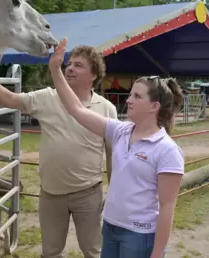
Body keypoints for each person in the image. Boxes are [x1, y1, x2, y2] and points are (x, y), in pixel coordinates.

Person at [0, 41, 118, 258]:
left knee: (93, 251)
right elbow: (8, 99)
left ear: (94, 75)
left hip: (88, 192)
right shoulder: (47, 97)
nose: (70, 68)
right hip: (51, 193)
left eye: (79, 65)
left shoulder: (106, 109)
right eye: (69, 63)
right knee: (51, 252)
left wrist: (114, 192)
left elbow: (112, 154)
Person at [48, 38, 185, 258]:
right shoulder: (120, 131)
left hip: (139, 235)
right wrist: (55, 69)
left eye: (137, 96)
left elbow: (167, 206)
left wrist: (158, 253)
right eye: (130, 94)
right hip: (110, 227)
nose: (128, 100)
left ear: (154, 106)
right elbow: (75, 109)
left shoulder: (167, 150)